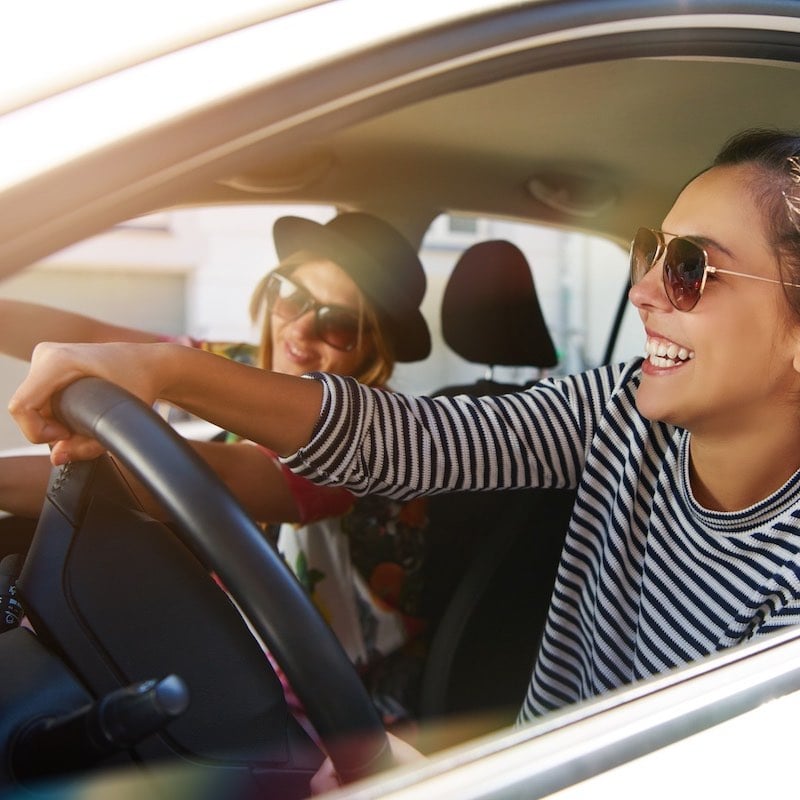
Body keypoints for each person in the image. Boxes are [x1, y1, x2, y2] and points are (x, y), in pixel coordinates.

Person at [10, 127, 800, 776]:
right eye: (649, 252)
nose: (644, 291)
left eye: (690, 267)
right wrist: (160, 367)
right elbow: (420, 441)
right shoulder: (623, 407)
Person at [0, 211, 433, 727]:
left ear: (372, 349)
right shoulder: (241, 364)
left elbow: (220, 478)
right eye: (292, 297)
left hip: (335, 710)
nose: (298, 330)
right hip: (235, 661)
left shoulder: (370, 435)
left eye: (337, 324)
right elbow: (92, 339)